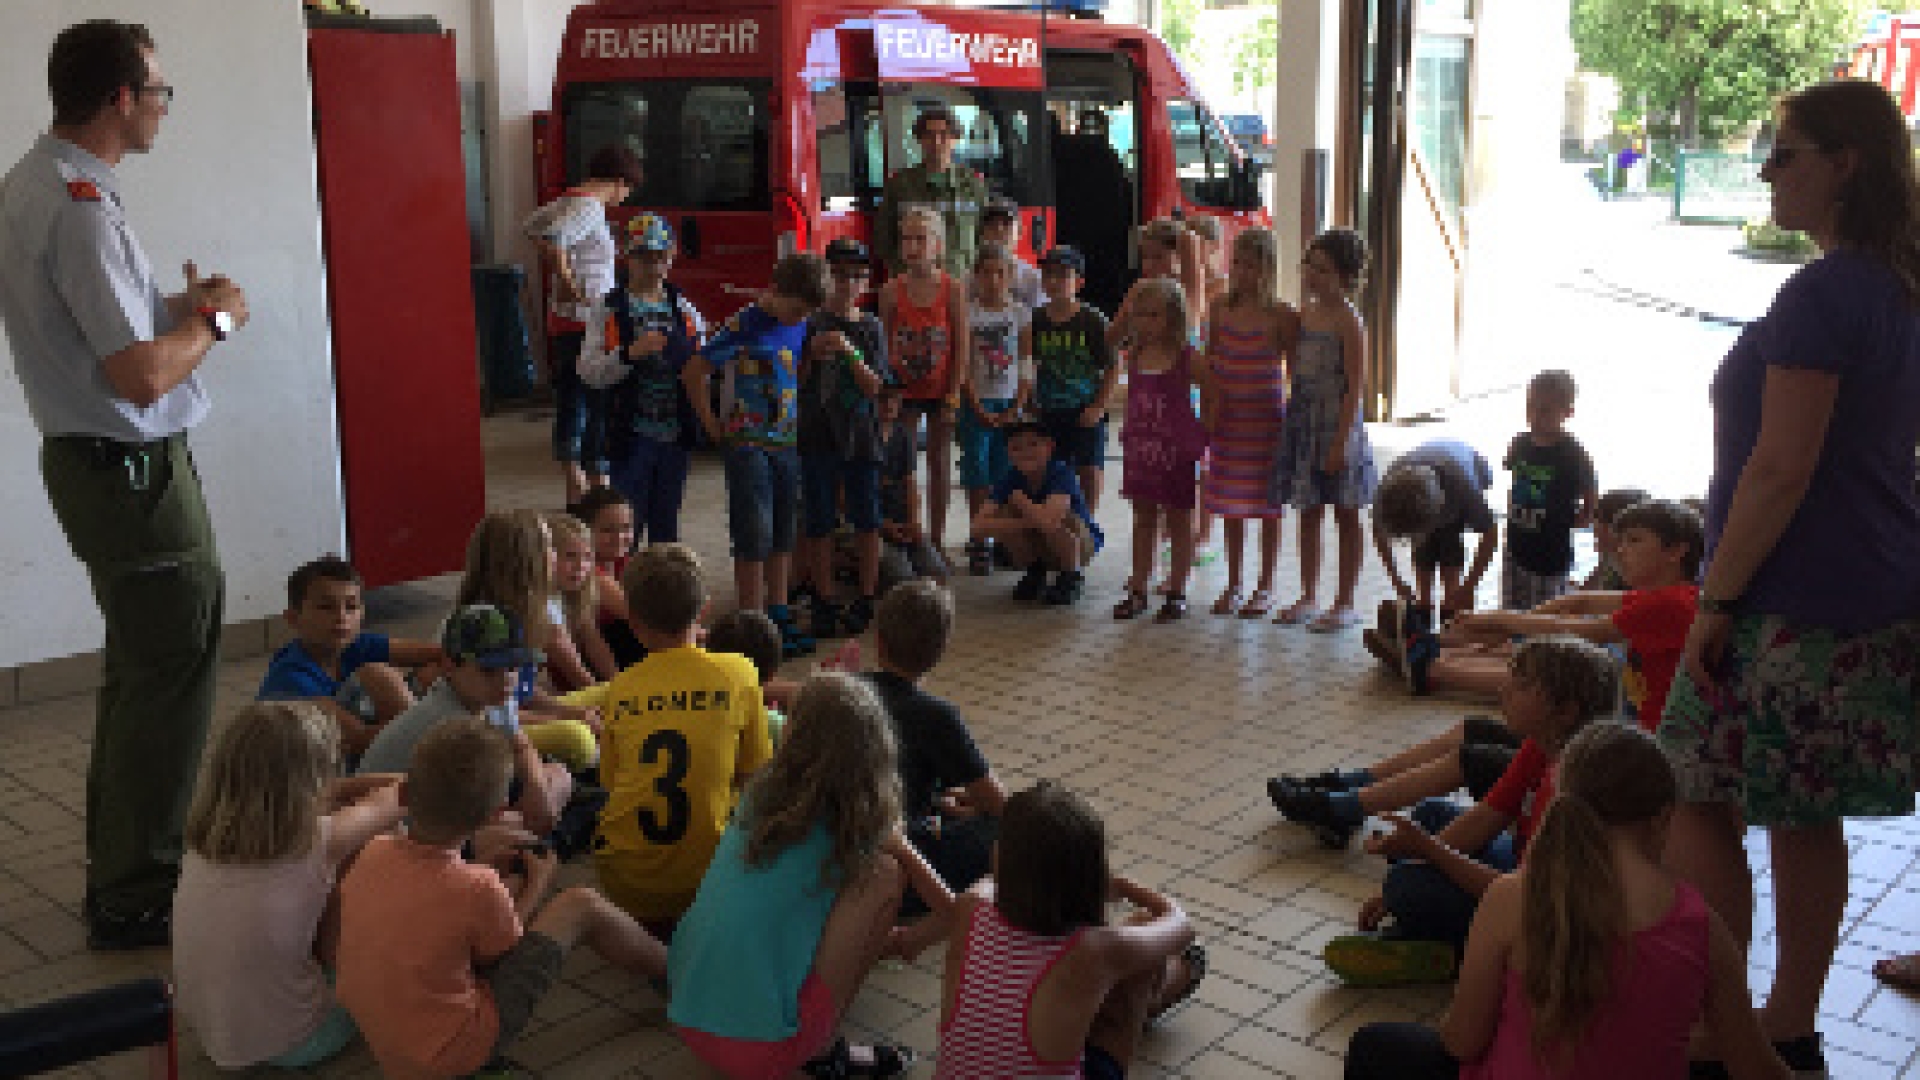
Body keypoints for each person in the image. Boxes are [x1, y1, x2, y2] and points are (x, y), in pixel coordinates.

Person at [1659, 79, 1920, 1078]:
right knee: (1789, 812)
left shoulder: (1824, 294)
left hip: (1795, 602)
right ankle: (1775, 1017)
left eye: (1785, 152)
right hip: (1860, 589)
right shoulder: (1895, 283)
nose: (1766, 170)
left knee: (1705, 788)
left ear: (1845, 163)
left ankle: (1752, 1020)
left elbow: (1783, 466)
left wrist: (1715, 600)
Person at [0, 19, 250, 949]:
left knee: (142, 672)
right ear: (119, 98)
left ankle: (124, 868)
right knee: (172, 670)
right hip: (131, 469)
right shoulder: (74, 201)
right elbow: (141, 375)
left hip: (98, 465)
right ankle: (140, 891)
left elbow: (105, 325)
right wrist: (218, 325)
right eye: (158, 92)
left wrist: (181, 307)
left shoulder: (38, 185)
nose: (162, 107)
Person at [1343, 725, 1791, 1080]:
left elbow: (1461, 1043)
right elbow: (1756, 1068)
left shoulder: (1514, 897)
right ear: (1663, 818)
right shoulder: (1702, 927)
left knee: (1375, 1047)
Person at [337, 718, 668, 1079]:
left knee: (492, 898)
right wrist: (540, 883)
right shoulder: (476, 886)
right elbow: (505, 951)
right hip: (451, 1053)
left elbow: (432, 906)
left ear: (403, 794)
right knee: (579, 904)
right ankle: (678, 973)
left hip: (387, 1042)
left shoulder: (374, 849)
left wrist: (487, 874)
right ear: (497, 815)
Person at [668, 673, 952, 1079]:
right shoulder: (859, 823)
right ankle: (824, 1051)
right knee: (884, 878)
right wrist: (911, 937)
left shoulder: (758, 795)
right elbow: (953, 910)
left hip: (686, 1013)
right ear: (876, 748)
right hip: (764, 1051)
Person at [1320, 637, 1614, 987]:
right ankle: (1434, 938)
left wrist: (1427, 854)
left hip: (1541, 913)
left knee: (1407, 885)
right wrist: (1423, 857)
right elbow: (1486, 817)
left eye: (1521, 685)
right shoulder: (1541, 745)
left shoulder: (1568, 787)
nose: (1504, 689)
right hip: (1519, 868)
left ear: (1566, 711)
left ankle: (1460, 953)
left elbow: (1526, 897)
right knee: (1431, 817)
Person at [172, 702, 403, 1071]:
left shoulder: (205, 839)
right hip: (300, 1039)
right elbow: (400, 795)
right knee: (375, 845)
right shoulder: (321, 841)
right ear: (311, 781)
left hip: (214, 1031)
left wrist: (331, 790)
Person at [933, 781, 1206, 1079]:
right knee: (1141, 940)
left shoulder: (971, 905)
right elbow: (1180, 923)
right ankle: (1171, 982)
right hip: (1098, 964)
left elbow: (1001, 880)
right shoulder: (1092, 951)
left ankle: (1162, 985)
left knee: (1088, 979)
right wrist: (1120, 884)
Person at [593, 543, 773, 933]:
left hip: (628, 885)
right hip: (710, 883)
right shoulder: (739, 671)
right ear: (704, 610)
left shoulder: (621, 689)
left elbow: (611, 782)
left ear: (634, 623)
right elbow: (757, 774)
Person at [684, 253, 829, 659]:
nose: (797, 318)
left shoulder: (797, 324)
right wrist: (711, 423)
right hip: (747, 443)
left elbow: (793, 370)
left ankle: (778, 610)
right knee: (754, 530)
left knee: (784, 528)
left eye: (805, 314)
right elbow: (695, 370)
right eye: (796, 309)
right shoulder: (741, 325)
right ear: (776, 291)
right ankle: (751, 618)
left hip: (784, 441)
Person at [357, 605, 575, 837]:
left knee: (557, 775)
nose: (506, 680)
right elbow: (460, 813)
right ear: (449, 665)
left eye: (513, 667)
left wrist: (536, 788)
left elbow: (521, 745)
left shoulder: (495, 696)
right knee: (513, 830)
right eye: (489, 671)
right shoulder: (447, 722)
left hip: (450, 809)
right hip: (404, 830)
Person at [864, 581, 1008, 906]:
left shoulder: (847, 691)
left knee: (945, 812)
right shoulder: (936, 715)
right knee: (1004, 829)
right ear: (941, 650)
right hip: (902, 852)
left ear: (879, 642)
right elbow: (1000, 804)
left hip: (844, 843)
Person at [524, 145, 643, 505]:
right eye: (628, 189)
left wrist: (559, 267)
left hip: (567, 319)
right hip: (587, 319)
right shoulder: (589, 207)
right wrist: (571, 283)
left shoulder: (567, 200)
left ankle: (576, 477)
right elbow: (555, 239)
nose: (625, 197)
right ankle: (592, 478)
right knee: (597, 400)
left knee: (572, 398)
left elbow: (531, 227)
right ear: (620, 182)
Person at [1272, 228, 1378, 632]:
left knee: (1346, 514)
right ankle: (1309, 594)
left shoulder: (1350, 322)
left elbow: (1355, 386)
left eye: (1322, 270)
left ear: (1346, 277)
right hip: (1305, 422)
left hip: (1337, 426)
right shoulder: (1306, 313)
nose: (1311, 276)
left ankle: (1345, 600)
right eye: (1308, 267)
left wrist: (1340, 441)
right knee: (1309, 512)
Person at [582, 213, 705, 544]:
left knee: (666, 524)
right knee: (626, 525)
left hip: (675, 435)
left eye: (659, 256)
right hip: (630, 434)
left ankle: (662, 589)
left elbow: (702, 365)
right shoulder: (608, 310)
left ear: (671, 255)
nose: (652, 265)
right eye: (643, 256)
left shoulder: (684, 309)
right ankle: (623, 591)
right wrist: (628, 353)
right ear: (626, 255)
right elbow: (589, 372)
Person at [797, 237, 891, 641]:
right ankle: (824, 596)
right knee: (819, 521)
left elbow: (875, 387)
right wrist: (810, 355)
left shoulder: (870, 327)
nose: (847, 284)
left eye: (857, 276)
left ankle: (867, 596)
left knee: (866, 519)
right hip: (817, 433)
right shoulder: (808, 323)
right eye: (839, 275)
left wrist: (849, 352)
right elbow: (793, 381)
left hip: (860, 435)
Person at [454, 510, 600, 768]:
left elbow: (523, 690)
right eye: (549, 548)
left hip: (516, 714)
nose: (554, 556)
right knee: (576, 737)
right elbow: (496, 718)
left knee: (608, 697)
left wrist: (570, 711)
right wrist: (565, 719)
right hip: (485, 731)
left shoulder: (530, 609)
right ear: (524, 561)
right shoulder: (486, 625)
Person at [258, 555, 443, 756]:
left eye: (351, 607)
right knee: (378, 675)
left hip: (362, 745)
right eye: (326, 607)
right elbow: (358, 739)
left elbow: (438, 654)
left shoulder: (354, 644)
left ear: (362, 613)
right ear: (293, 619)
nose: (341, 617)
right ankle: (434, 753)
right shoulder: (290, 679)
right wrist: (428, 728)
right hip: (314, 771)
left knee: (435, 671)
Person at [1204, 227, 1297, 618]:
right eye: (1237, 262)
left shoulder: (1281, 315)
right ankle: (1235, 581)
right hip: (1229, 420)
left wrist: (1292, 421)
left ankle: (1266, 584)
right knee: (1231, 506)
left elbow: (1295, 372)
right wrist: (1207, 415)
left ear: (1267, 268)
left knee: (1268, 507)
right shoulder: (1220, 308)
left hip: (1266, 423)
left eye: (1251, 265)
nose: (1242, 271)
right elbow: (1210, 364)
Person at [1110, 278, 1206, 623]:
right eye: (1142, 316)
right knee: (1143, 517)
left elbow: (1212, 388)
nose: (1148, 324)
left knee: (1179, 517)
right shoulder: (1135, 354)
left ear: (1174, 317)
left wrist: (1203, 430)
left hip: (1175, 450)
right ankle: (1138, 586)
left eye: (1156, 316)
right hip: (1141, 448)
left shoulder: (1185, 357)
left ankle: (1177, 588)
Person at [880, 207, 969, 555]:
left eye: (921, 238)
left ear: (937, 245)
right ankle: (907, 529)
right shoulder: (890, 291)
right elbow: (885, 343)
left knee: (939, 461)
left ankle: (936, 537)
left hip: (939, 388)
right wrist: (889, 393)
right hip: (903, 391)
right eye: (907, 239)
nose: (913, 246)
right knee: (903, 464)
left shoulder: (952, 289)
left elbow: (961, 343)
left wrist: (952, 394)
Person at [959, 242, 1035, 575]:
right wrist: (976, 405)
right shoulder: (969, 312)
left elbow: (1026, 361)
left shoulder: (1019, 313)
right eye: (986, 273)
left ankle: (1004, 535)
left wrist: (1018, 405)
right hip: (978, 401)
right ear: (977, 276)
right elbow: (963, 364)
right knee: (977, 470)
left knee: (1006, 472)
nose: (993, 279)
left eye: (999, 273)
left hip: (1008, 401)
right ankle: (979, 536)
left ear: (1010, 276)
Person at [971, 421, 1104, 605]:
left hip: (1080, 545)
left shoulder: (1061, 472)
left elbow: (1050, 523)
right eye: (1017, 447)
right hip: (1041, 537)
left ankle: (1071, 576)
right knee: (1005, 515)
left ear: (1049, 447)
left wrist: (1021, 500)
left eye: (1033, 444)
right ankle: (1035, 571)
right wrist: (1024, 524)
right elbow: (978, 527)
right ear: (1009, 453)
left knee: (1060, 518)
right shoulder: (1010, 478)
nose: (1026, 452)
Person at [1371, 438, 1499, 626]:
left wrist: (1469, 586)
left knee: (1450, 555)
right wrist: (1396, 581)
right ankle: (1423, 612)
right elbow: (1379, 532)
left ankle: (1453, 618)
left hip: (1464, 474)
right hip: (1430, 482)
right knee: (1424, 554)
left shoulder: (1463, 486)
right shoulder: (1386, 492)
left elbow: (1490, 534)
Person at [1030, 246, 1119, 512]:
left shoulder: (1092, 320)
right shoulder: (1035, 320)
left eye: (1062, 275)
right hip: (1048, 408)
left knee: (1089, 469)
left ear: (1079, 282)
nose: (1054, 281)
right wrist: (1029, 400)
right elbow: (1027, 363)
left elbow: (1113, 366)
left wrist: (1098, 407)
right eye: (1048, 275)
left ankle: (1087, 520)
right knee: (1050, 470)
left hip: (1083, 408)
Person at [1501, 370, 1599, 610]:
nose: (1535, 415)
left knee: (1544, 612)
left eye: (1544, 410)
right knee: (1512, 605)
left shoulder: (1573, 453)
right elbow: (1510, 469)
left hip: (1550, 553)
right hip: (1516, 543)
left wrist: (1585, 514)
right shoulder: (1520, 442)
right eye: (1530, 406)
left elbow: (1590, 489)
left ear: (1567, 413)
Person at [874, 105, 989, 278]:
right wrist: (901, 271)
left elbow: (985, 235)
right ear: (919, 140)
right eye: (929, 134)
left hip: (961, 282)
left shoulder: (973, 185)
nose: (936, 141)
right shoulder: (900, 185)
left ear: (955, 139)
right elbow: (883, 238)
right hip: (913, 285)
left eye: (944, 134)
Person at [875, 385, 949, 593]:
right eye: (883, 400)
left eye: (894, 400)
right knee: (902, 577)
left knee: (938, 572)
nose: (889, 405)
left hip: (902, 520)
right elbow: (846, 495)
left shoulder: (903, 435)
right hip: (873, 524)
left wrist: (914, 521)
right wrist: (882, 524)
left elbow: (910, 484)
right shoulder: (860, 435)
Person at [573, 486, 646, 669]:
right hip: (585, 657)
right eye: (608, 530)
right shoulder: (587, 570)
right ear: (585, 531)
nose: (619, 537)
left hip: (612, 640)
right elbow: (638, 615)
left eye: (626, 528)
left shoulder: (623, 561)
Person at [545, 512, 618, 690]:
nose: (580, 567)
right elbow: (577, 675)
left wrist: (619, 684)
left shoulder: (577, 593)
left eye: (586, 557)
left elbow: (593, 640)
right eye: (570, 556)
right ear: (547, 557)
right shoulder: (543, 605)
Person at [1581, 487, 1652, 591]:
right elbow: (1585, 591)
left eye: (1601, 520)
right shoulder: (1610, 559)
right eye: (1595, 518)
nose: (1594, 527)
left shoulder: (1637, 576)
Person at [978, 198, 1043, 310]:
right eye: (991, 224)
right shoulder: (970, 279)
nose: (998, 229)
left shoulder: (1033, 280)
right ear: (982, 233)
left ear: (1020, 232)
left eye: (1006, 223)